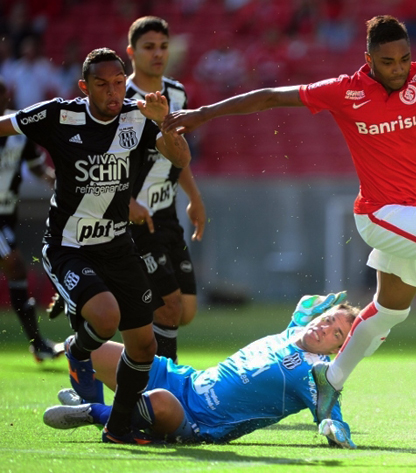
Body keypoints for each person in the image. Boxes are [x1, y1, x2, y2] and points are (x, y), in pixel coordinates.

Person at [163, 14, 416, 423]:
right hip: (378, 214)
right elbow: (270, 95)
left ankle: (331, 378)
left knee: (390, 312)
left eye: (404, 59)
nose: (399, 69)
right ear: (369, 59)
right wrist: (202, 114)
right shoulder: (345, 91)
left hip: (415, 213)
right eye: (388, 61)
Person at [0, 47, 191, 443]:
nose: (113, 92)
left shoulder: (139, 117)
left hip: (118, 245)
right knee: (105, 319)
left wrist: (165, 125)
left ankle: (118, 428)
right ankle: (77, 350)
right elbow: (7, 124)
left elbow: (180, 158)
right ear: (85, 87)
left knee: (144, 344)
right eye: (102, 85)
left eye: (119, 83)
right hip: (68, 245)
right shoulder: (58, 114)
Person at [43, 292, 358, 448]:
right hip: (185, 380)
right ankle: (95, 403)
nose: (326, 328)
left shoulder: (317, 376)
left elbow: (334, 420)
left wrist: (335, 430)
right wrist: (307, 308)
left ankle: (93, 412)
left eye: (337, 334)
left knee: (158, 401)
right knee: (84, 347)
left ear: (337, 350)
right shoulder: (294, 331)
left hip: (197, 422)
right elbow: (303, 314)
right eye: (329, 319)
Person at [125, 16, 206, 362]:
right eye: (148, 47)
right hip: (135, 220)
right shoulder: (121, 99)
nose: (157, 54)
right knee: (169, 307)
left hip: (167, 212)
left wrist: (195, 198)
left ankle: (110, 298)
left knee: (186, 311)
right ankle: (164, 392)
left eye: (162, 47)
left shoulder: (176, 92)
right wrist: (125, 201)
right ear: (131, 52)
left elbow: (177, 153)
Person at [0, 76, 61, 362]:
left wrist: (54, 179)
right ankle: (37, 343)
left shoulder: (17, 129)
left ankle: (37, 344)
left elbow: (36, 166)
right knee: (15, 265)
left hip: (7, 216)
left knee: (17, 270)